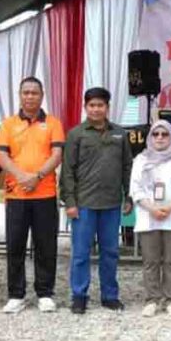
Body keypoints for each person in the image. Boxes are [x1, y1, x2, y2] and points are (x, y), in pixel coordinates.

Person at [60, 87, 133, 314]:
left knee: (110, 252)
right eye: (92, 105)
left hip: (111, 203)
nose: (96, 109)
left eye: (100, 105)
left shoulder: (120, 134)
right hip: (84, 204)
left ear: (107, 108)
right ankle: (79, 296)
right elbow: (67, 171)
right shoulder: (76, 134)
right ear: (85, 107)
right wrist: (69, 202)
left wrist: (129, 195)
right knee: (81, 254)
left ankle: (109, 295)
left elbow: (127, 167)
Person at [0, 77, 65, 314]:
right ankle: (16, 294)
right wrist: (21, 177)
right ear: (20, 95)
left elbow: (57, 155)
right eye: (25, 92)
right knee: (15, 245)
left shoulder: (53, 123)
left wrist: (37, 176)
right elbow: (2, 156)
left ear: (42, 95)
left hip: (44, 193)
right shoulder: (8, 124)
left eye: (34, 92)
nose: (29, 96)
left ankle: (45, 293)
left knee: (46, 245)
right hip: (16, 194)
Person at [129, 120, 171, 318]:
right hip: (148, 215)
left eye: (165, 134)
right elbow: (135, 187)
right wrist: (152, 208)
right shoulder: (140, 159)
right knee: (151, 261)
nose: (160, 138)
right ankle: (152, 299)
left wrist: (169, 207)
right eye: (156, 134)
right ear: (150, 137)